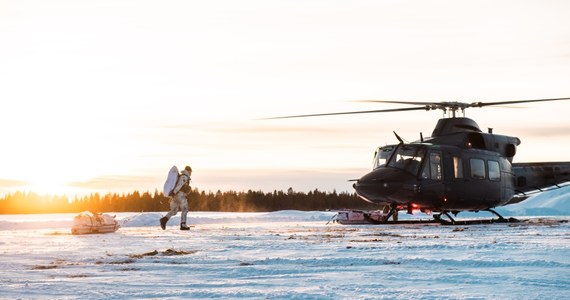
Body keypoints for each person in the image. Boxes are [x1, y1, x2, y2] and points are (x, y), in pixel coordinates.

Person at [160, 165, 192, 230]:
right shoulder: (184, 177)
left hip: (175, 195)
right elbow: (179, 185)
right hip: (180, 195)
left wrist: (173, 194)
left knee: (174, 211)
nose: (191, 173)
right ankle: (183, 225)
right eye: (191, 172)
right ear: (188, 171)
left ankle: (164, 219)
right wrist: (174, 192)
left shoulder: (182, 176)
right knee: (185, 209)